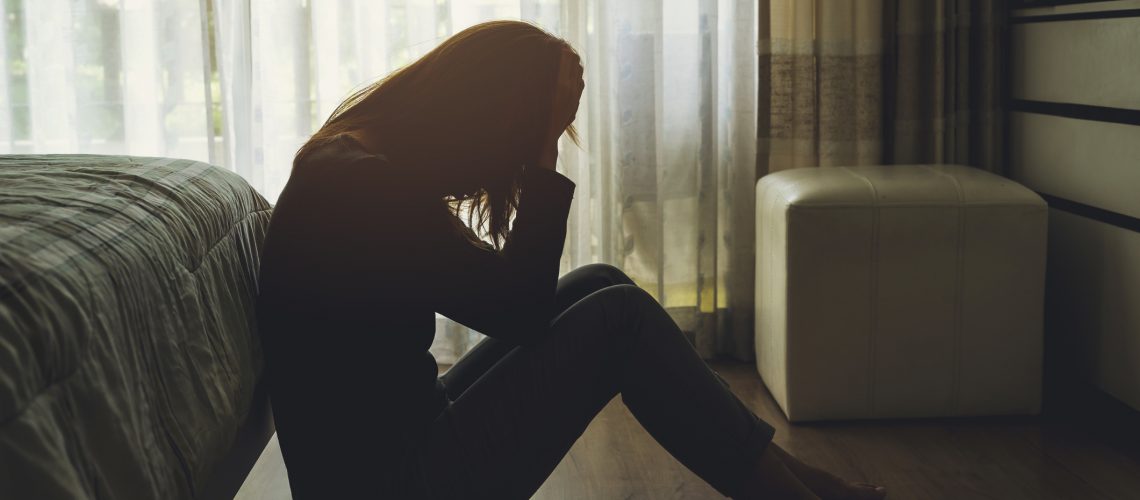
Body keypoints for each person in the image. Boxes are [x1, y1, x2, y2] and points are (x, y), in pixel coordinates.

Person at [256, 20, 887, 500]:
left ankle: (795, 481)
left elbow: (498, 298)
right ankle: (795, 493)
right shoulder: (367, 187)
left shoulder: (354, 165)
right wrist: (541, 161)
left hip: (391, 451)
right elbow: (521, 311)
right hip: (396, 483)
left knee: (600, 284)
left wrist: (539, 131)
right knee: (618, 321)